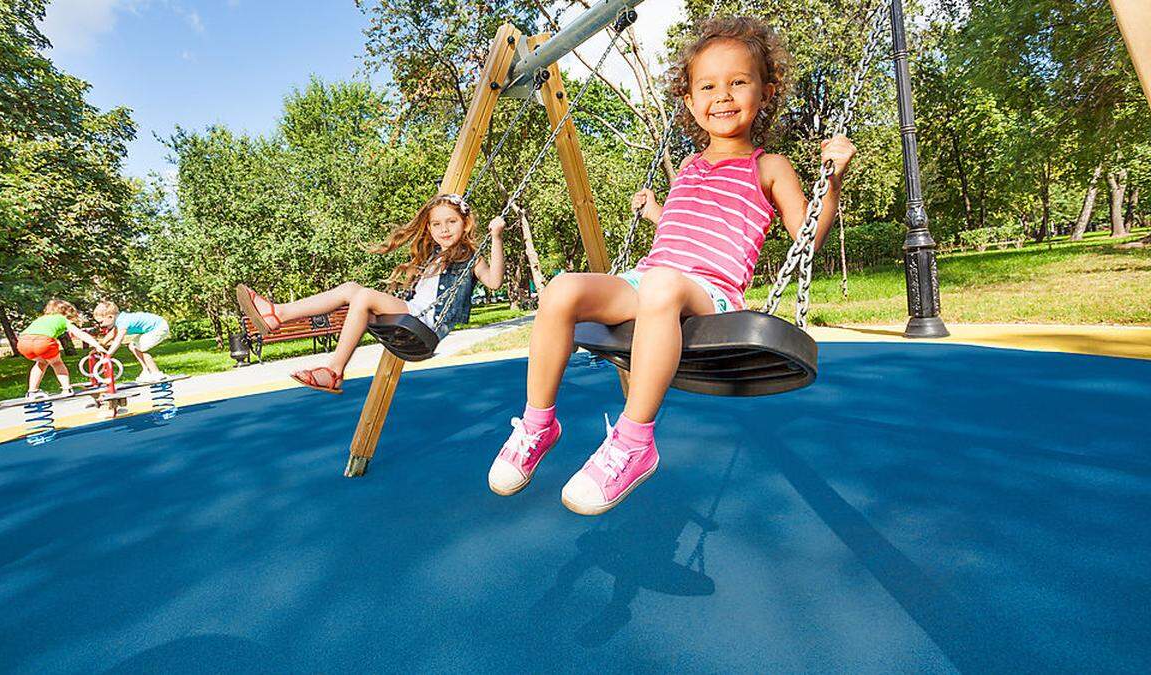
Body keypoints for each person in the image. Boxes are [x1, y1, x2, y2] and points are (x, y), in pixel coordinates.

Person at [488, 16, 857, 515]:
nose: (722, 96)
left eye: (738, 82)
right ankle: (538, 423)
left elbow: (807, 236)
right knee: (562, 289)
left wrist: (831, 182)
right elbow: (682, 234)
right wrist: (657, 213)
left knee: (661, 284)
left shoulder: (770, 167)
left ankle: (635, 442)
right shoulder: (686, 167)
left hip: (713, 295)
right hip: (655, 279)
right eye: (708, 86)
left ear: (765, 92)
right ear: (688, 100)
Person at [237, 193, 506, 393]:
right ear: (429, 228)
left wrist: (496, 237)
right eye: (436, 224)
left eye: (451, 222)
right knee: (351, 289)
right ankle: (278, 314)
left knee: (363, 296)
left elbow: (494, 282)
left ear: (465, 223)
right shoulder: (433, 254)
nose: (444, 229)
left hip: (425, 327)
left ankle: (334, 371)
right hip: (411, 316)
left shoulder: (471, 258)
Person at [17, 299, 107, 398]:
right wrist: (97, 345)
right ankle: (66, 388)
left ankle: (32, 391)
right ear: (66, 312)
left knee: (41, 362)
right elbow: (80, 334)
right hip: (43, 341)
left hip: (23, 342)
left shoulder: (42, 318)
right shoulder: (62, 319)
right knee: (57, 363)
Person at [93, 302, 171, 383]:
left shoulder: (123, 321)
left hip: (159, 327)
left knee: (140, 348)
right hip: (155, 327)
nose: (101, 325)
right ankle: (146, 370)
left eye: (101, 322)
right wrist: (100, 345)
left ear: (110, 317)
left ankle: (156, 373)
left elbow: (118, 340)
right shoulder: (120, 320)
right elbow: (112, 334)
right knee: (133, 346)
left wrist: (108, 355)